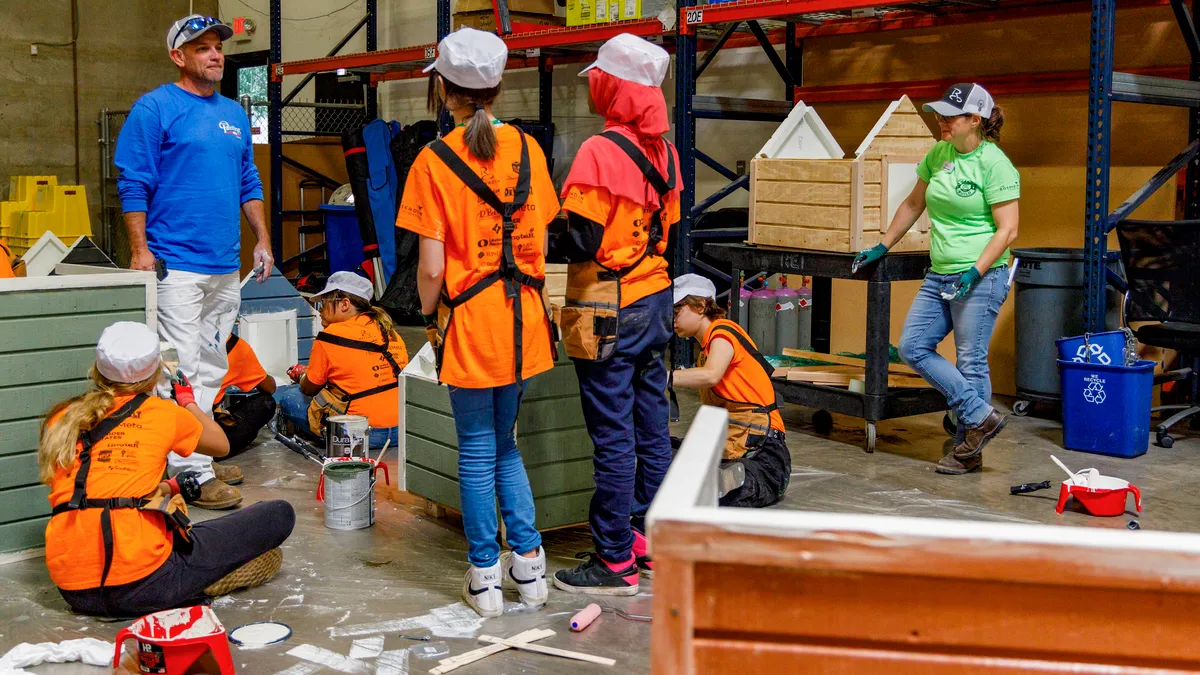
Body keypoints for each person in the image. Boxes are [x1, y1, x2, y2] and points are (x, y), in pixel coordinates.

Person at [396, 27, 560, 618]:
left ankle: (485, 577)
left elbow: (432, 268)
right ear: (495, 86)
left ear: (444, 89)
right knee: (506, 446)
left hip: (470, 319)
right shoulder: (528, 150)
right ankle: (532, 568)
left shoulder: (432, 161)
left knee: (474, 449)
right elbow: (540, 236)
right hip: (523, 319)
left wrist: (427, 313)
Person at [115, 14, 275, 510]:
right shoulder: (155, 108)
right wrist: (140, 250)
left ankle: (195, 452)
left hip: (224, 264)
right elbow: (133, 181)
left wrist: (262, 240)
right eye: (202, 48)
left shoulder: (232, 114)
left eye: (218, 47)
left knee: (211, 365)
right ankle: (189, 474)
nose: (215, 55)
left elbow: (249, 181)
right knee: (179, 369)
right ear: (178, 56)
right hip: (175, 265)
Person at [40, 322, 294, 618]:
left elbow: (95, 488)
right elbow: (221, 445)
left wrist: (167, 487)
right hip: (146, 584)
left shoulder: (61, 418)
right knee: (278, 513)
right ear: (154, 375)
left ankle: (189, 576)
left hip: (75, 591)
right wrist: (187, 401)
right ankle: (198, 580)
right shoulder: (163, 414)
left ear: (97, 370)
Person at [548, 33, 680, 595]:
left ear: (613, 87)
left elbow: (581, 239)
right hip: (655, 298)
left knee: (612, 435)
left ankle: (613, 556)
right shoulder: (664, 149)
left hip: (609, 304)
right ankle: (649, 539)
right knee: (652, 426)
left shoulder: (599, 152)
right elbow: (667, 227)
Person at [852, 83, 1019, 474]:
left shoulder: (995, 164)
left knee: (971, 362)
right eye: (940, 114)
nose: (941, 121)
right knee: (912, 346)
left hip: (981, 275)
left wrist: (974, 271)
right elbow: (914, 202)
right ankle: (981, 415)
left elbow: (1008, 230)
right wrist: (883, 245)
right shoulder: (939, 153)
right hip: (940, 273)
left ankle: (966, 452)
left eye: (950, 116)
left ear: (974, 120)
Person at [670, 274, 791, 507]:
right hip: (733, 449)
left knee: (745, 484)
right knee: (661, 452)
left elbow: (710, 375)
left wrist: (664, 377)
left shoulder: (723, 331)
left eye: (677, 311)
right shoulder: (705, 353)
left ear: (701, 305)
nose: (672, 319)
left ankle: (724, 480)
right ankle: (713, 477)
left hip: (765, 454)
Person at [278, 272, 408, 450]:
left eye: (323, 302)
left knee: (290, 397)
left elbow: (309, 388)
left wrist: (302, 375)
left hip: (359, 435)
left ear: (345, 304)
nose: (320, 309)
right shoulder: (388, 330)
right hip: (401, 430)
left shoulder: (329, 337)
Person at [213, 334, 277, 458]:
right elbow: (270, 387)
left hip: (173, 426)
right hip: (204, 437)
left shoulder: (175, 339)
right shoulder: (233, 345)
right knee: (265, 404)